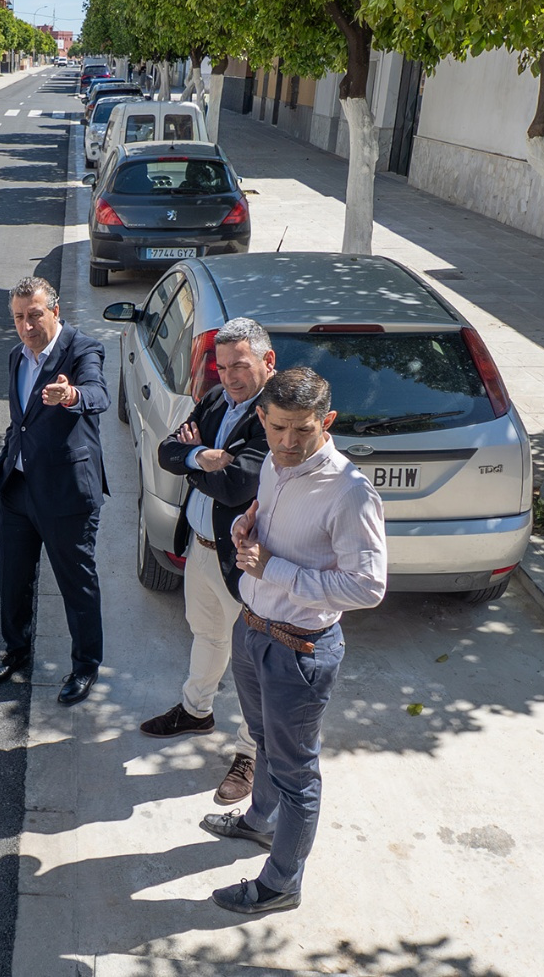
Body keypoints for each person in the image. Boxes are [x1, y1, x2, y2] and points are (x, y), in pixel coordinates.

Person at [198, 366, 385, 917]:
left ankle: (281, 884)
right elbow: (269, 529)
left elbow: (368, 586)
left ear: (327, 421)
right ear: (262, 417)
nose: (288, 442)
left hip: (300, 650)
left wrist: (273, 570)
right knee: (261, 741)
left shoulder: (350, 493)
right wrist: (246, 529)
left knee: (296, 774)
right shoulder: (274, 465)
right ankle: (260, 821)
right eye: (278, 427)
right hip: (253, 629)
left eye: (303, 429)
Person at [140, 318, 275, 806]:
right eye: (223, 367)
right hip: (200, 548)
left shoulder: (274, 415)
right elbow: (167, 452)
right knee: (206, 634)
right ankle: (196, 711)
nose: (230, 376)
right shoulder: (217, 398)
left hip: (245, 562)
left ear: (267, 361)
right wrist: (203, 456)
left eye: (240, 365)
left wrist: (193, 460)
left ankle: (252, 753)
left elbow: (237, 485)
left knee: (254, 661)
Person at [0, 277, 110, 706]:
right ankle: (15, 649)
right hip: (18, 488)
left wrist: (71, 394)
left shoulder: (83, 349)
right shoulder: (16, 356)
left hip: (66, 494)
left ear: (55, 310)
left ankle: (85, 665)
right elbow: (20, 421)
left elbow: (97, 393)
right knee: (12, 579)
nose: (27, 326)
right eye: (19, 317)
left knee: (77, 584)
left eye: (35, 315)